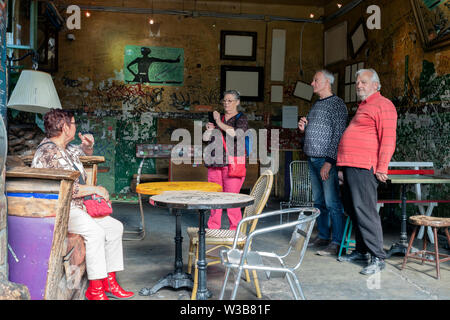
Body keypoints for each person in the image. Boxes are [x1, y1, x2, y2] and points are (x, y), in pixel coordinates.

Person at [32, 109, 134, 300]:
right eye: (73, 123)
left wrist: (88, 147)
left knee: (114, 227)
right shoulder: (48, 152)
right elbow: (66, 189)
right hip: (60, 209)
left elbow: (80, 153)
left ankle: (109, 282)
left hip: (78, 207)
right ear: (64, 127)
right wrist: (95, 189)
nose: (76, 126)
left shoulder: (65, 148)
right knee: (96, 233)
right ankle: (95, 289)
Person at [337, 68, 398, 275]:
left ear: (376, 85)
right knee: (354, 211)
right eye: (357, 83)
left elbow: (388, 138)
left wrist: (382, 167)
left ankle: (378, 257)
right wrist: (341, 167)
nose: (359, 86)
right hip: (351, 165)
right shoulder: (364, 106)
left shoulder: (384, 105)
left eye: (363, 82)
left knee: (365, 211)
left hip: (365, 166)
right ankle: (362, 250)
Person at [298, 70, 348, 256]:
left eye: (315, 80)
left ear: (327, 81)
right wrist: (304, 129)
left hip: (325, 161)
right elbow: (317, 131)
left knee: (332, 202)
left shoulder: (337, 104)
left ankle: (336, 242)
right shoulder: (316, 104)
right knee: (319, 202)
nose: (312, 83)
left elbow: (338, 135)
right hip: (312, 159)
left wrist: (329, 162)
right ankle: (323, 236)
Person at [203, 90, 249, 230]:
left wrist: (218, 122)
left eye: (230, 100)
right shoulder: (219, 119)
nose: (226, 103)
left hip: (232, 165)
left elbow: (236, 134)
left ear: (237, 102)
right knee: (214, 200)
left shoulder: (241, 118)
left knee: (231, 200)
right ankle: (213, 229)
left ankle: (235, 231)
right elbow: (206, 140)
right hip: (215, 164)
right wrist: (209, 130)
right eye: (224, 101)